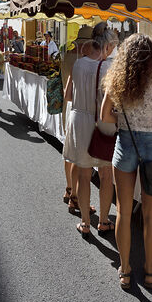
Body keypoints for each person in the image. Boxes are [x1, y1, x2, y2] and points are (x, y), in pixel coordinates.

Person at [101, 34, 152, 290]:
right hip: (151, 146)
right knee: (150, 215)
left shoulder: (116, 83)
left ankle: (125, 270)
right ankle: (149, 271)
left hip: (125, 144)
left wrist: (125, 121)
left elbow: (105, 116)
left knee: (124, 213)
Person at [63, 22, 119, 239]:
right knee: (106, 175)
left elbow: (69, 96)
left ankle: (85, 222)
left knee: (84, 174)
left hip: (79, 120)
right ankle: (104, 221)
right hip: (102, 122)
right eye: (113, 48)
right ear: (106, 47)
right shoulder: (109, 68)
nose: (113, 52)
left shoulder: (78, 64)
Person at [60, 25, 93, 205]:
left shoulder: (68, 56)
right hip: (79, 107)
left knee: (69, 152)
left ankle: (69, 189)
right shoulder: (81, 61)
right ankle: (76, 197)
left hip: (69, 107)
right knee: (78, 156)